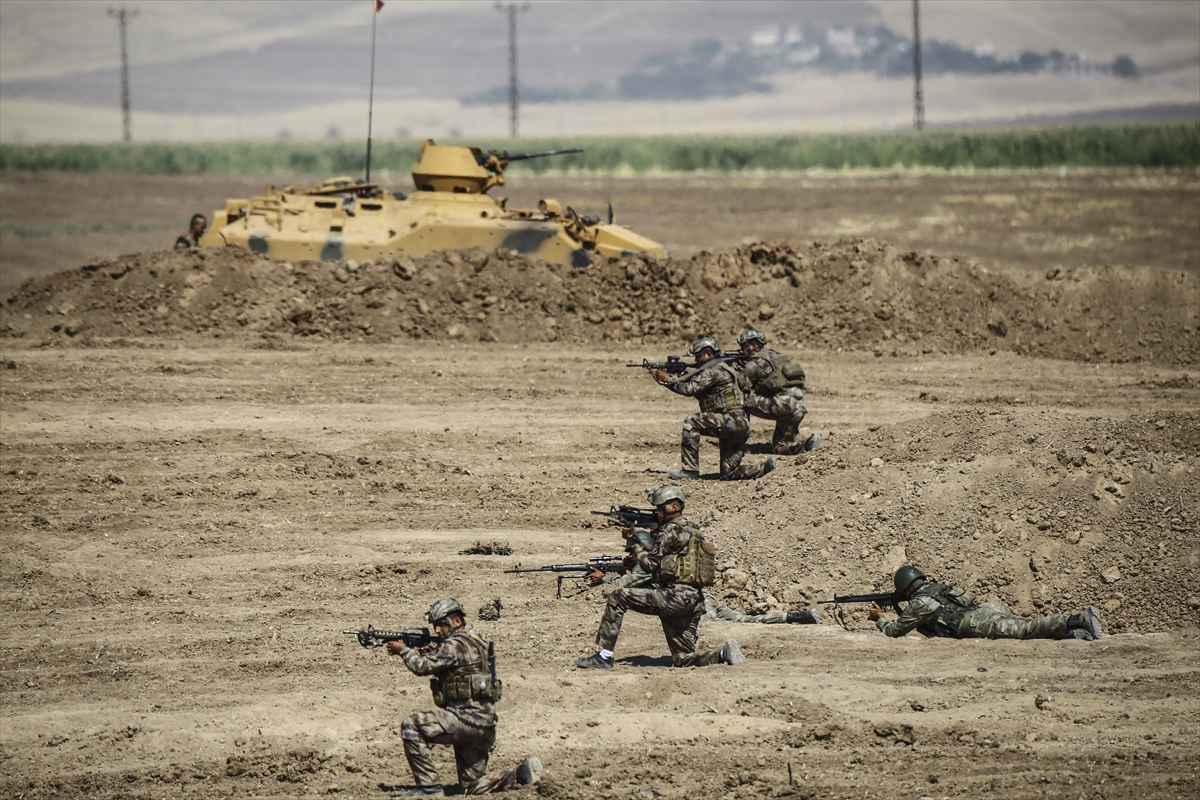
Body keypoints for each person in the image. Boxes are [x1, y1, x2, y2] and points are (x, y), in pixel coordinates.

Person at [576, 484, 744, 670]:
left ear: (674, 506)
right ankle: (723, 654)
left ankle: (604, 656)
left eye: (660, 507)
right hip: (694, 601)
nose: (657, 512)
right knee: (682, 658)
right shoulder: (694, 531)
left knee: (618, 596)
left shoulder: (670, 530)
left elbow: (649, 565)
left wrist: (633, 542)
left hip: (675, 597)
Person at [386, 598, 542, 796]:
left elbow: (422, 667)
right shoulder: (476, 641)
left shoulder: (452, 645)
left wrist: (404, 651)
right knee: (472, 786)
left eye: (442, 624)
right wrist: (432, 652)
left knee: (413, 724)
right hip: (485, 726)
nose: (438, 630)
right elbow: (459, 666)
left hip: (465, 721)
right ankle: (520, 774)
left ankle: (428, 789)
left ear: (457, 621)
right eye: (435, 626)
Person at [593, 529, 821, 625]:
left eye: (632, 552)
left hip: (695, 604)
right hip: (704, 597)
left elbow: (624, 585)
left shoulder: (646, 565)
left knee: (730, 624)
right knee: (745, 620)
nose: (630, 556)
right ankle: (794, 617)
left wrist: (603, 578)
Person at [869, 565, 1104, 641]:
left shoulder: (918, 605)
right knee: (1024, 629)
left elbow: (895, 632)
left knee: (1024, 630)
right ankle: (1070, 633)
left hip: (975, 623)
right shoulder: (936, 588)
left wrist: (880, 619)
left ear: (906, 589)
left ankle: (1077, 620)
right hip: (987, 609)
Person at [653, 337, 773, 481]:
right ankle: (764, 468)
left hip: (730, 421)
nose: (696, 361)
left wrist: (667, 379)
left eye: (698, 357)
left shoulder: (712, 369)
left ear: (708, 355)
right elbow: (704, 396)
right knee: (729, 473)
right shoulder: (724, 368)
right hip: (739, 425)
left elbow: (689, 389)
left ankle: (690, 471)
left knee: (691, 422)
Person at [736, 330, 819, 455]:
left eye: (743, 347)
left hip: (782, 405)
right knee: (781, 447)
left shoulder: (755, 362)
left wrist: (740, 371)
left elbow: (742, 386)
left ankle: (738, 445)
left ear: (752, 345)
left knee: (738, 402)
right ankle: (808, 445)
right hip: (797, 407)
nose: (741, 351)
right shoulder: (775, 356)